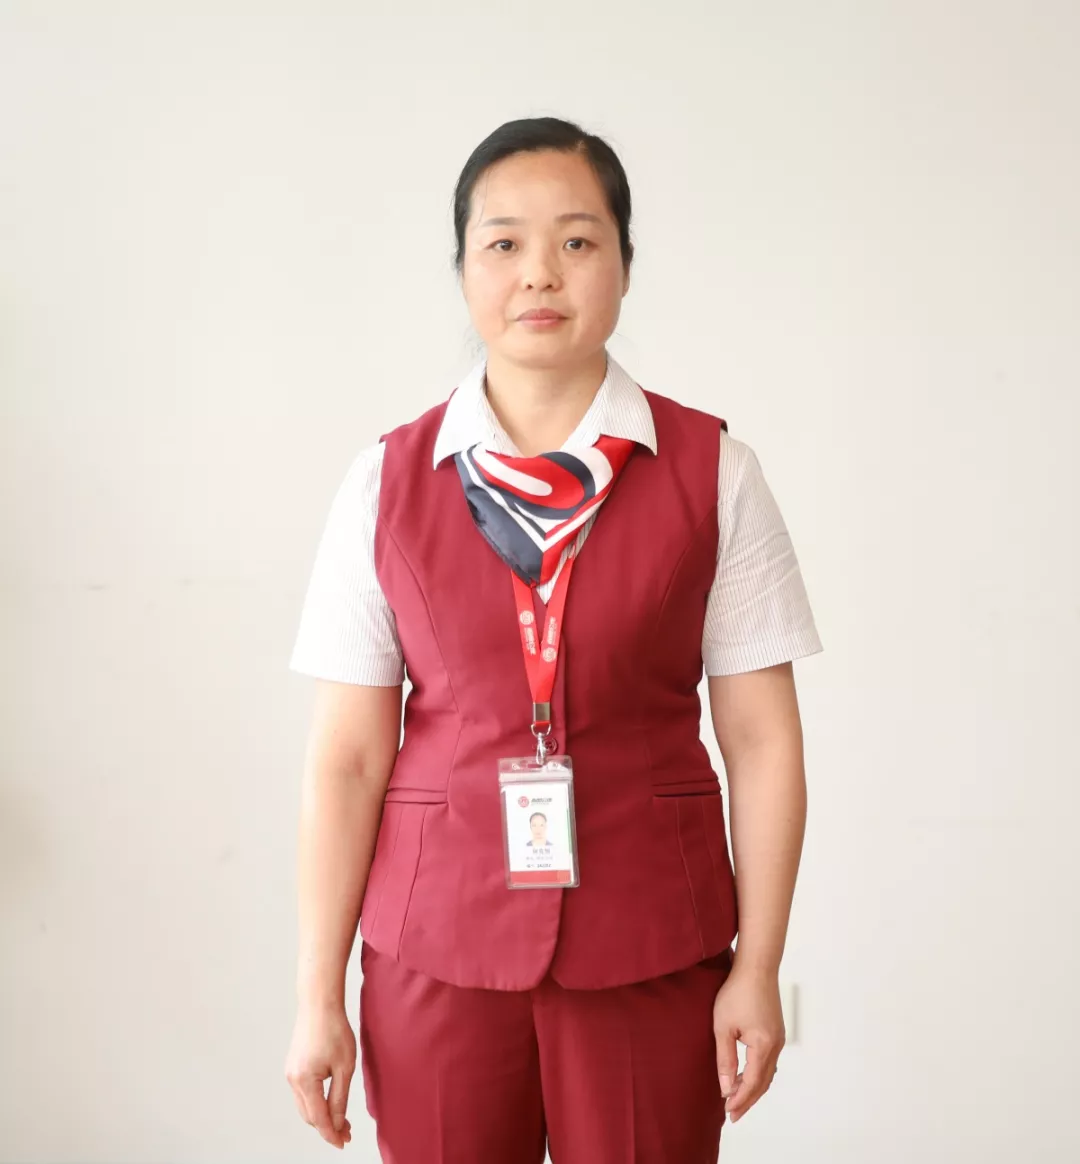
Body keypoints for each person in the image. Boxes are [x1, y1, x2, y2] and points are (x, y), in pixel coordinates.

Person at [284, 116, 822, 1163]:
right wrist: (317, 994)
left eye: (577, 240)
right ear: (462, 269)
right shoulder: (383, 482)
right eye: (504, 243)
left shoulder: (715, 471)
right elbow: (346, 759)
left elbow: (763, 743)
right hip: (435, 945)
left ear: (625, 262)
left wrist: (758, 966)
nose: (540, 272)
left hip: (651, 946)